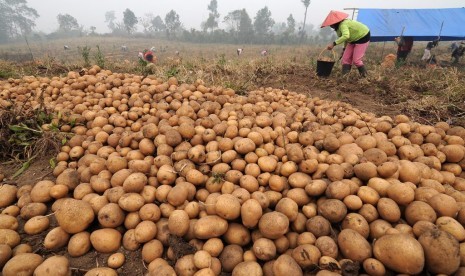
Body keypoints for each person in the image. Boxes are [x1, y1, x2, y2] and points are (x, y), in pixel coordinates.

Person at [322, 10, 371, 77]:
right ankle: (345, 77)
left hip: (363, 36)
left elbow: (346, 36)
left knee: (356, 60)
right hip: (352, 39)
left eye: (331, 24)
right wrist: (344, 49)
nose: (330, 26)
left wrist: (333, 44)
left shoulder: (343, 24)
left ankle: (365, 77)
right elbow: (346, 38)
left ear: (335, 22)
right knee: (345, 58)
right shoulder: (338, 28)